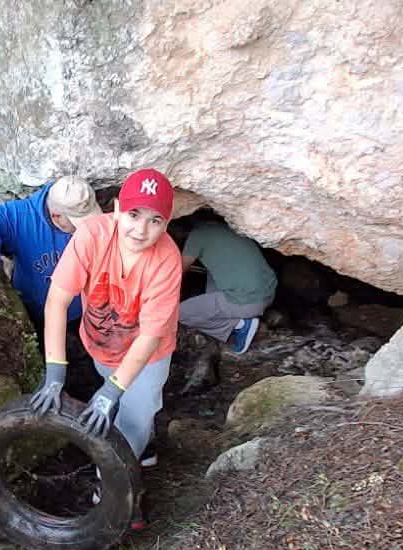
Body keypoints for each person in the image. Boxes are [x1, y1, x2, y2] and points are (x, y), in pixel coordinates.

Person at [29, 167, 183, 481]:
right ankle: (145, 444)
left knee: (131, 423)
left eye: (155, 220)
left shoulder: (167, 258)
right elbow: (58, 301)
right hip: (101, 345)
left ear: (167, 224)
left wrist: (111, 391)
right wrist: (56, 373)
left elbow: (151, 336)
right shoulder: (92, 235)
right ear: (116, 209)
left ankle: (115, 490)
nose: (141, 230)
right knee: (123, 405)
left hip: (147, 357)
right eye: (134, 215)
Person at [0, 176, 100, 328]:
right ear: (56, 216)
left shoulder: (79, 205)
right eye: (77, 223)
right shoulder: (23, 217)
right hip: (36, 314)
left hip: (83, 313)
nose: (85, 229)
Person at [177, 219, 277, 354]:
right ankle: (226, 311)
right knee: (212, 272)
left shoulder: (197, 236)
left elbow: (178, 271)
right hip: (269, 293)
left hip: (249, 302)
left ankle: (240, 325)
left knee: (180, 313)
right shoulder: (230, 228)